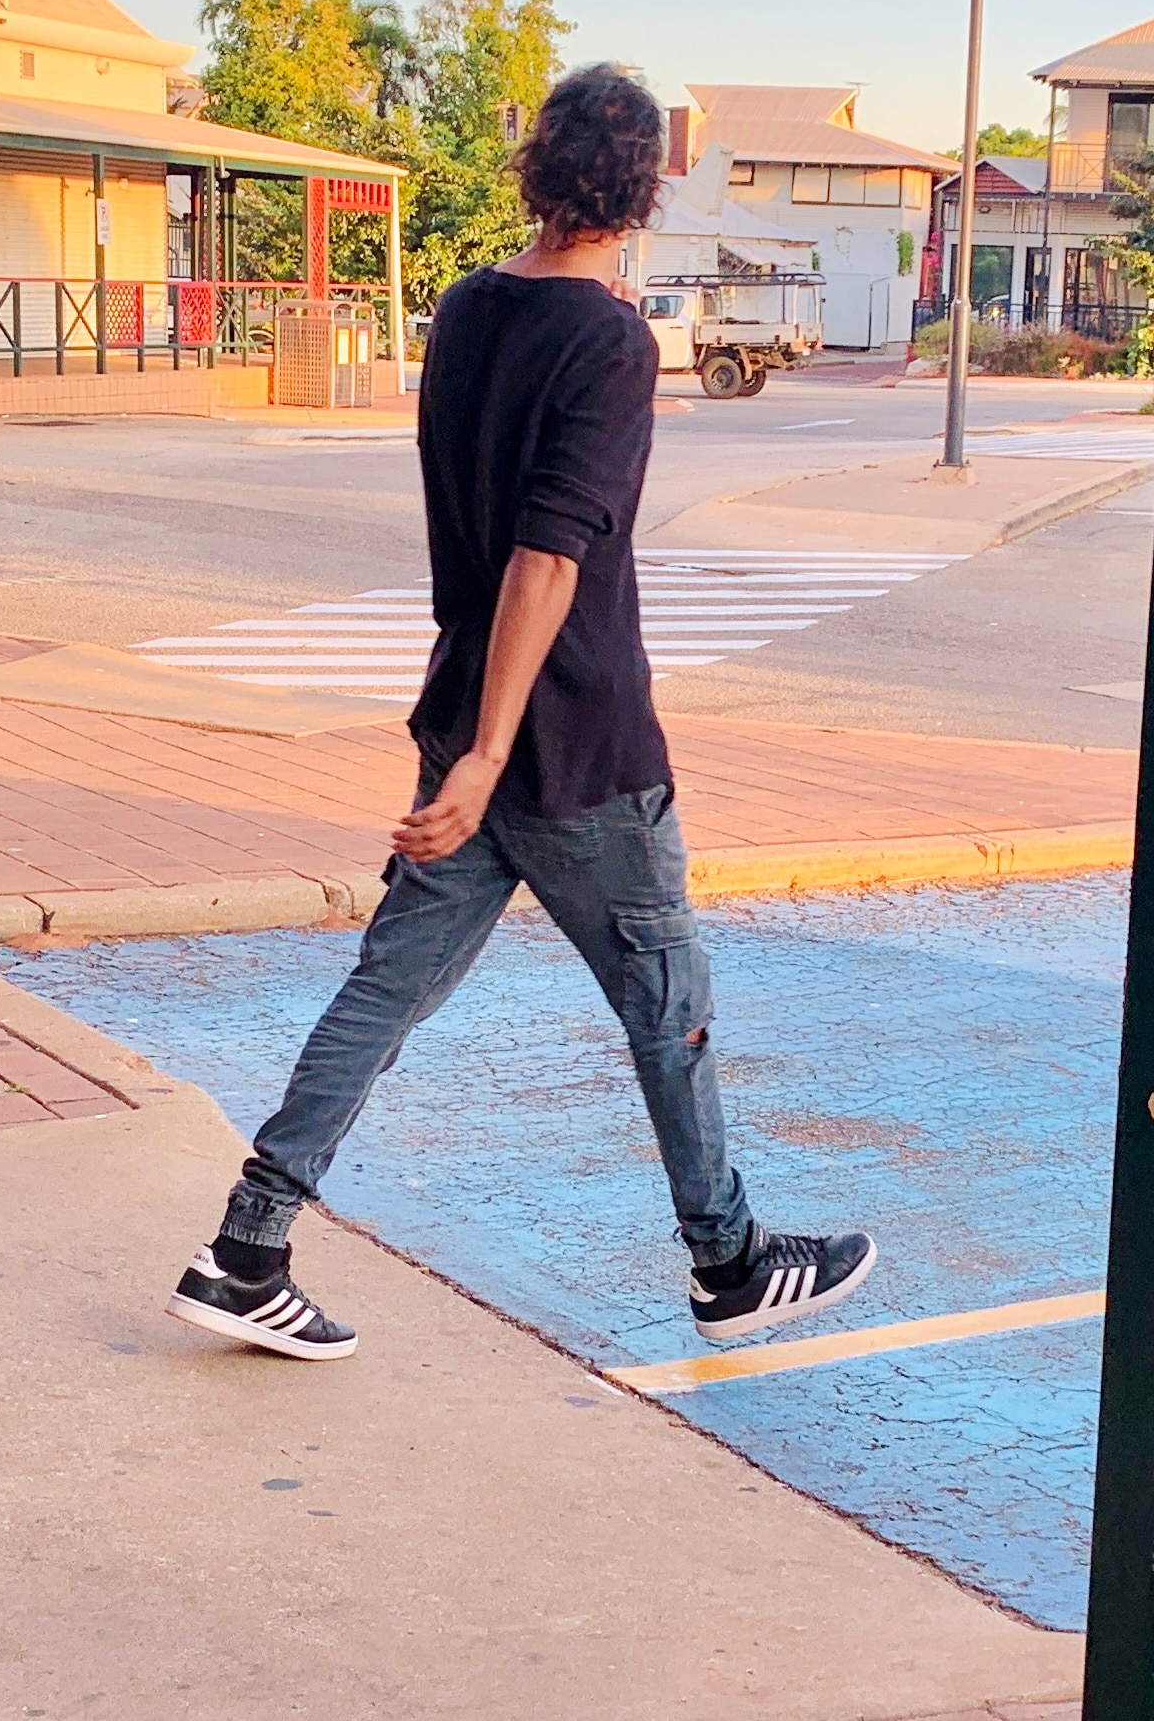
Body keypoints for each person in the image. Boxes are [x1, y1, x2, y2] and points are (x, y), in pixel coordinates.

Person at [168, 66, 875, 1363]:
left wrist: (470, 753)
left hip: (465, 726)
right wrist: (497, 754)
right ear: (646, 188)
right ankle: (726, 1259)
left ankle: (245, 1247)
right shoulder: (610, 341)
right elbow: (546, 559)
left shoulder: (467, 310)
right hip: (573, 748)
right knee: (670, 998)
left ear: (533, 171)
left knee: (385, 991)